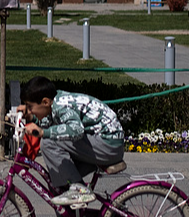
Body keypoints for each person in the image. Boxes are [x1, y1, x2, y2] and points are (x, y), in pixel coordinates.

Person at [18, 76, 125, 207]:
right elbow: (51, 122)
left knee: (48, 142)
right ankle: (73, 196)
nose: (29, 110)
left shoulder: (62, 106)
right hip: (100, 144)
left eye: (30, 107)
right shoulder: (55, 102)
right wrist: (31, 117)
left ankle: (80, 190)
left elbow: (76, 130)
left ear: (45, 102)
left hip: (108, 145)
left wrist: (42, 133)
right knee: (60, 184)